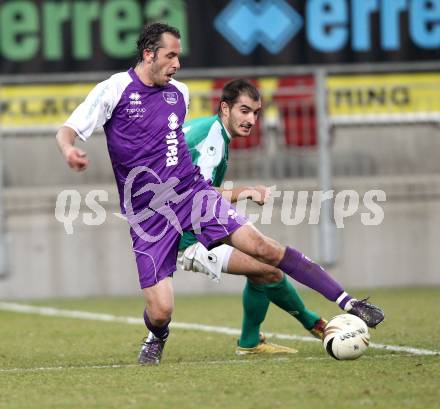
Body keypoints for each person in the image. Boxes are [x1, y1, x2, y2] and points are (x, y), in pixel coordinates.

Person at [56, 23, 384, 366]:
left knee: (263, 250)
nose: (177, 63)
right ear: (148, 54)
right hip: (148, 215)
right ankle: (157, 335)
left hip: (193, 196)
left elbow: (173, 151)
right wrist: (68, 151)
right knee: (161, 310)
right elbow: (68, 130)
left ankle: (348, 302)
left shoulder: (179, 94)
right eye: (170, 55)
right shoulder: (115, 89)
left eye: (178, 56)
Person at [179, 79, 327, 355]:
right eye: (244, 111)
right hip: (184, 239)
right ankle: (315, 324)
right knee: (268, 269)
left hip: (190, 224)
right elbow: (201, 195)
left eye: (256, 113)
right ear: (225, 108)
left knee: (264, 267)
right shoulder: (211, 138)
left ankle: (249, 343)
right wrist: (247, 191)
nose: (251, 120)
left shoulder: (206, 128)